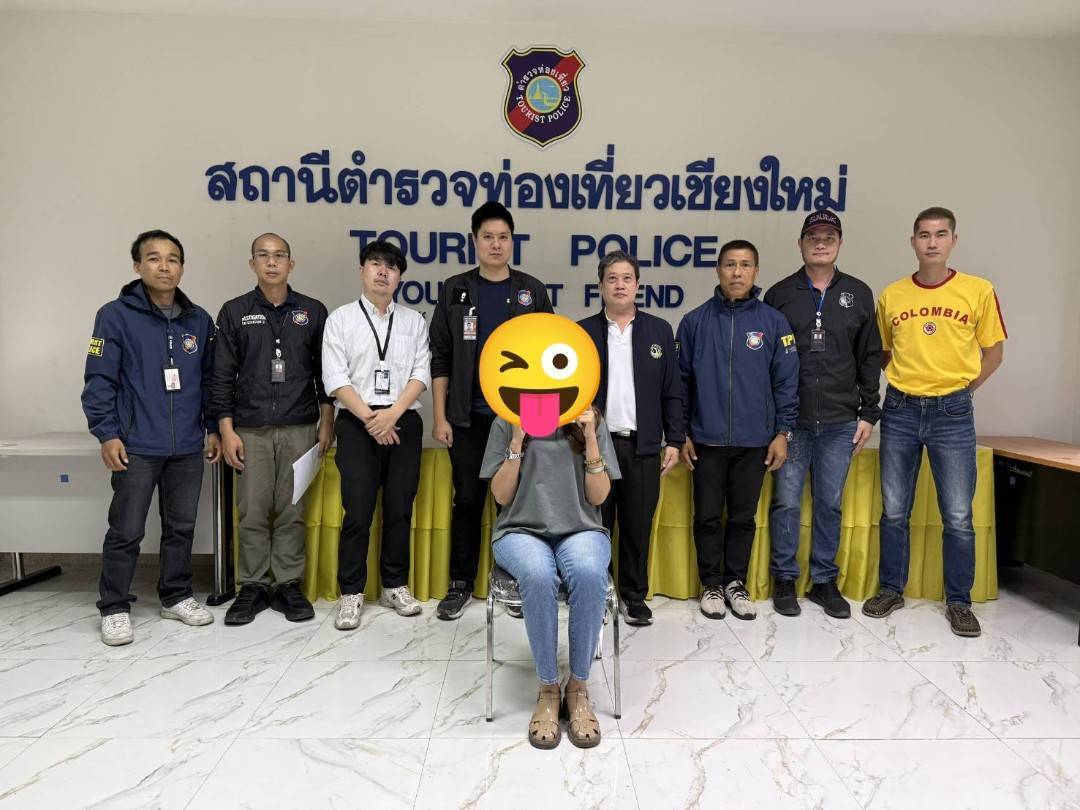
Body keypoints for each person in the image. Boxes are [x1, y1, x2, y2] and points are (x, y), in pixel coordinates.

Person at [863, 207, 1006, 637]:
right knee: (894, 509)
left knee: (958, 514)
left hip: (952, 413)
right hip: (901, 410)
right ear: (912, 242)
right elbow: (882, 354)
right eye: (924, 235)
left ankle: (959, 601)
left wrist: (961, 391)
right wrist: (908, 385)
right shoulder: (892, 296)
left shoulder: (978, 291)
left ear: (953, 241)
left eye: (940, 234)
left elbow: (994, 353)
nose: (931, 242)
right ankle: (891, 589)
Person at [82, 229, 221, 646]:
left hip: (187, 446)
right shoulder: (114, 316)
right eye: (155, 258)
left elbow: (211, 381)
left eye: (173, 259)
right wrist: (107, 433)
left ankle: (175, 596)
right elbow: (99, 379)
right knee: (126, 530)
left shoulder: (199, 320)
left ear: (182, 267)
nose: (165, 266)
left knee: (181, 526)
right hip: (136, 444)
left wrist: (212, 428)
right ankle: (114, 606)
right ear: (137, 266)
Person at [430, 201, 553, 621]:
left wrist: (541, 420)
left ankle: (515, 581)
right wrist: (440, 417)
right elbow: (441, 357)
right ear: (474, 241)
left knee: (515, 503)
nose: (496, 244)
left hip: (519, 419)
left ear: (512, 242)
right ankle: (460, 583)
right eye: (487, 237)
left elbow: (549, 356)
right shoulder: (455, 289)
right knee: (467, 500)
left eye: (503, 237)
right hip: (467, 417)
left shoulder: (532, 290)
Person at [210, 233, 334, 626]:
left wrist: (327, 422)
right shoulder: (235, 312)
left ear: (291, 264)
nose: (272, 262)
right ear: (252, 264)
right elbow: (221, 376)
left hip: (301, 426)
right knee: (252, 510)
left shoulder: (312, 311)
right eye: (263, 256)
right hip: (250, 428)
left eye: (280, 256)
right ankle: (252, 585)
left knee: (291, 509)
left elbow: (325, 374)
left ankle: (287, 584)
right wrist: (227, 431)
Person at [480, 405, 621, 750]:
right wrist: (517, 440)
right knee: (538, 574)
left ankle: (578, 687)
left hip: (581, 529)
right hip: (520, 530)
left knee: (589, 572)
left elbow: (599, 496)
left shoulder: (589, 419)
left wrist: (590, 439)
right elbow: (501, 496)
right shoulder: (506, 418)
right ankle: (547, 688)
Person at [763, 211, 881, 618]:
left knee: (829, 504)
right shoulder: (780, 295)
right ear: (800, 243)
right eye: (812, 236)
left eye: (828, 236)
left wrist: (869, 412)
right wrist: (775, 422)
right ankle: (784, 578)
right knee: (786, 503)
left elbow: (869, 357)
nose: (820, 242)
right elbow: (768, 363)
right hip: (791, 422)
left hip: (840, 420)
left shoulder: (859, 294)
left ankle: (825, 582)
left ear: (839, 243)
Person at [677, 239, 800, 621]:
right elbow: (680, 384)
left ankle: (735, 583)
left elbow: (786, 383)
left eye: (745, 265)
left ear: (755, 272)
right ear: (718, 270)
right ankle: (711, 584)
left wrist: (782, 433)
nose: (736, 272)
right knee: (707, 517)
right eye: (730, 264)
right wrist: (681, 433)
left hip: (755, 440)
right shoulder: (695, 322)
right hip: (706, 440)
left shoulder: (773, 322)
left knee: (743, 518)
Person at [322, 240, 431, 628]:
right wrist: (372, 420)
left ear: (400, 277)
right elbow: (335, 378)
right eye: (375, 264)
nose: (383, 272)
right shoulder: (340, 320)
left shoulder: (414, 321)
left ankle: (395, 585)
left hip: (403, 421)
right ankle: (351, 592)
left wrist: (393, 415)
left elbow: (421, 373)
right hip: (357, 422)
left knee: (400, 509)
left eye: (392, 267)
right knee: (358, 510)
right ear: (362, 270)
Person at [578, 251, 683, 626]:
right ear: (600, 286)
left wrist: (675, 439)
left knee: (638, 526)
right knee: (597, 527)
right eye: (612, 279)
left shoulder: (659, 330)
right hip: (597, 448)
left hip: (643, 446)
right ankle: (598, 595)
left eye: (626, 278)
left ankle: (634, 596)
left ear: (637, 285)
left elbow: (673, 391)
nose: (619, 285)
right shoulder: (583, 332)